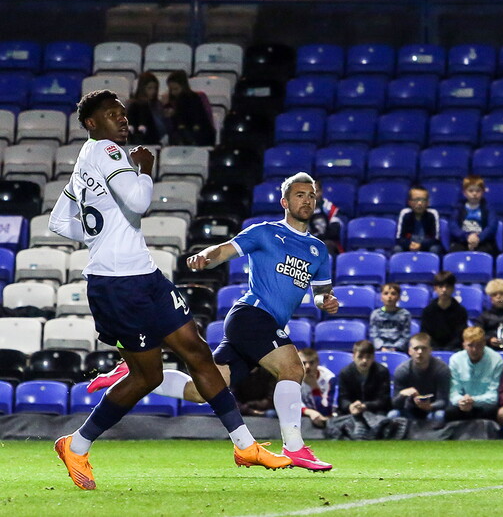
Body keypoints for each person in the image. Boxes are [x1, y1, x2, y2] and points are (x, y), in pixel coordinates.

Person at [48, 90, 289, 490]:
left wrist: (100, 237)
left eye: (124, 114)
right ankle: (77, 443)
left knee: (197, 351)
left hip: (143, 275)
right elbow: (141, 201)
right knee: (148, 377)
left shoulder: (84, 164)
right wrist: (144, 167)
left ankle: (245, 445)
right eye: (112, 114)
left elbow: (60, 221)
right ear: (92, 123)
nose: (122, 120)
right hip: (117, 287)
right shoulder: (107, 152)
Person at [88, 171, 340, 472]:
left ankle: (130, 376)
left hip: (262, 326)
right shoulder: (266, 233)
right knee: (292, 368)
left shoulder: (319, 250)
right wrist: (204, 256)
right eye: (300, 195)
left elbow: (320, 292)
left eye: (311, 195)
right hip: (251, 315)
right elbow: (225, 249)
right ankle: (295, 448)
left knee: (202, 389)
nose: (307, 200)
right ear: (285, 201)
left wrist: (325, 301)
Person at [389, 333, 451, 424]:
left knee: (439, 415)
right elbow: (394, 404)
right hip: (409, 410)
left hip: (432, 410)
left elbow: (443, 400)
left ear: (430, 350)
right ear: (410, 351)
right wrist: (402, 394)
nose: (420, 352)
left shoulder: (442, 369)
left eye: (424, 348)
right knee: (393, 415)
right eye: (416, 348)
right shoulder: (402, 370)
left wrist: (430, 406)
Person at [447, 326, 503, 422]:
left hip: (485, 406)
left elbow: (494, 396)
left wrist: (473, 401)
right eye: (470, 345)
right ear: (464, 345)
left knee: (491, 411)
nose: (474, 349)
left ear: (485, 344)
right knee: (450, 411)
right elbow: (454, 392)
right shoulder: (455, 360)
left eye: (479, 345)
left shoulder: (496, 360)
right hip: (462, 404)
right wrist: (461, 401)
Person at [337, 340, 392, 416]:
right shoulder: (345, 373)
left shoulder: (382, 372)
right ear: (353, 357)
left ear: (373, 358)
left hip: (375, 412)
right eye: (360, 357)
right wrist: (350, 406)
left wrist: (365, 406)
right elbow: (342, 399)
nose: (364, 361)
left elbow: (384, 400)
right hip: (351, 412)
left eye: (368, 357)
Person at [449, 175, 498, 256]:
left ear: (483, 192)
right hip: (463, 240)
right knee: (454, 252)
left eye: (478, 191)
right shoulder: (458, 208)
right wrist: (467, 237)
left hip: (483, 241)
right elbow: (453, 225)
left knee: (485, 253)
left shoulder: (488, 208)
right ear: (464, 193)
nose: (474, 194)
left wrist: (479, 238)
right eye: (471, 191)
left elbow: (492, 226)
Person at [420, 271, 469, 351]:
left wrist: (447, 350)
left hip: (454, 350)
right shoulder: (428, 311)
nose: (444, 290)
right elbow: (426, 335)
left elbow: (460, 336)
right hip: (433, 351)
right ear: (435, 288)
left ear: (453, 289)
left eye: (448, 286)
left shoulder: (461, 311)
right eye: (441, 286)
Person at [164, 69, 215, 146]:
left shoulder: (194, 98)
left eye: (176, 89)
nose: (173, 92)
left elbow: (198, 119)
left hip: (199, 134)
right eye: (171, 89)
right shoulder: (170, 102)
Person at [395, 185, 444, 255]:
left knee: (435, 249)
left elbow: (435, 238)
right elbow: (399, 238)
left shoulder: (433, 214)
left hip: (426, 246)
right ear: (409, 202)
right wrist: (409, 244)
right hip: (409, 245)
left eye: (423, 200)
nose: (419, 203)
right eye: (416, 200)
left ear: (428, 202)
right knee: (397, 249)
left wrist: (421, 245)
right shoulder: (404, 213)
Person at [126, 71, 167, 145]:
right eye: (149, 88)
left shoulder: (158, 104)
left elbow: (161, 128)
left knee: (143, 106)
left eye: (155, 88)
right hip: (134, 133)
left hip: (153, 135)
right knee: (137, 105)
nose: (153, 92)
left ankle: (141, 133)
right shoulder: (132, 104)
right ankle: (138, 134)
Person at [369, 282, 412, 352]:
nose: (389, 296)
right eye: (386, 293)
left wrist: (395, 348)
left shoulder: (405, 314)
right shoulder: (375, 314)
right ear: (381, 297)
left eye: (393, 294)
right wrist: (381, 347)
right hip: (379, 350)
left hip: (398, 350)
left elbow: (405, 336)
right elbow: (374, 335)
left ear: (398, 297)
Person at [299, 348, 335, 428]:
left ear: (318, 362)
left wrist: (314, 387)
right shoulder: (292, 377)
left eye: (311, 363)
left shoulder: (328, 379)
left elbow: (326, 411)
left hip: (321, 417)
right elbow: (290, 404)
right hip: (302, 415)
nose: (307, 366)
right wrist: (309, 412)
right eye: (304, 363)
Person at [309, 178, 343, 258]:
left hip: (327, 243)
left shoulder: (330, 208)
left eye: (316, 192)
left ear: (321, 192)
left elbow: (334, 232)